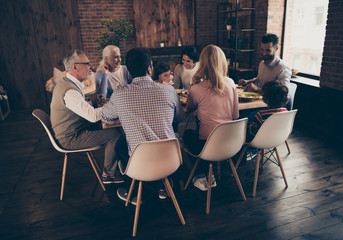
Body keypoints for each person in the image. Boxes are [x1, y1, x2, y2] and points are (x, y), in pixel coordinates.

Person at [101, 47, 185, 202]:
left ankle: (132, 192)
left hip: (141, 164)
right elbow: (179, 117)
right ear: (149, 68)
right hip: (171, 160)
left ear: (129, 71)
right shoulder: (169, 90)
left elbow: (105, 116)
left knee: (120, 145)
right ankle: (163, 185)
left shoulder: (119, 95)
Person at [50, 50, 123, 184]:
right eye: (87, 64)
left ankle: (119, 165)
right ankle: (109, 174)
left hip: (75, 128)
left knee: (115, 129)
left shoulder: (69, 84)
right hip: (71, 137)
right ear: (75, 67)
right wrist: (115, 106)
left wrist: (91, 102)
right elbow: (93, 116)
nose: (91, 67)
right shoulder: (70, 91)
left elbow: (77, 107)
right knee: (114, 134)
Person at [183, 44, 239, 191]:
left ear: (203, 64)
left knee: (187, 135)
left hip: (207, 146)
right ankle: (211, 172)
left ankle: (202, 174)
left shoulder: (196, 89)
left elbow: (189, 109)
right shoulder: (231, 83)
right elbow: (235, 115)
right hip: (231, 143)